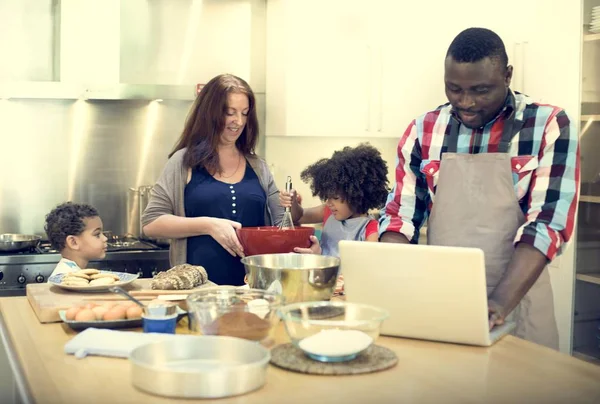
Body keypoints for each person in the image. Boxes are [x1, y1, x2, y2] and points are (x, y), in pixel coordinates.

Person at [379, 28, 579, 350]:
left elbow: (547, 224)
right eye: (454, 89)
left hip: (517, 305)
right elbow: (401, 215)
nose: (466, 102)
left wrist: (496, 304)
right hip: (442, 305)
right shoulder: (423, 130)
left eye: (481, 90)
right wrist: (385, 271)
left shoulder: (547, 125)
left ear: (507, 75)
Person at [142, 74, 284, 286]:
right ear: (211, 114)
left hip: (254, 291)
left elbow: (282, 226)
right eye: (230, 113)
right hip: (198, 292)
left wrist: (306, 243)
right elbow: (151, 223)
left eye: (244, 114)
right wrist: (208, 225)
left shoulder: (258, 167)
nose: (239, 121)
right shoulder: (183, 162)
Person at [280, 143, 389, 256]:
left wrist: (320, 256)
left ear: (356, 196)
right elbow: (299, 216)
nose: (329, 202)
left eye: (335, 198)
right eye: (327, 197)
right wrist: (292, 203)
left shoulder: (370, 228)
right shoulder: (328, 212)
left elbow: (366, 266)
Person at [45, 202, 108, 277]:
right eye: (97, 234)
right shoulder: (67, 279)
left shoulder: (72, 271)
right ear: (73, 242)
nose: (105, 238)